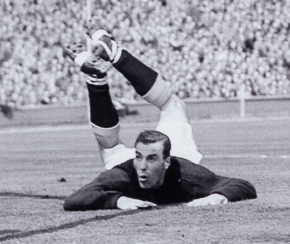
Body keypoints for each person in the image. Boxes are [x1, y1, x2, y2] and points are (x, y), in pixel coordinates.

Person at [62, 32, 257, 211]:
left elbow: (242, 185)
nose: (143, 166)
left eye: (151, 160)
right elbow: (74, 199)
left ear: (166, 162)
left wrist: (217, 196)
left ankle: (96, 76)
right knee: (172, 106)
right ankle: (111, 55)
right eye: (139, 157)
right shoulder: (126, 171)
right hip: (153, 155)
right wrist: (118, 200)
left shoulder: (187, 174)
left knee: (110, 146)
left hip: (176, 154)